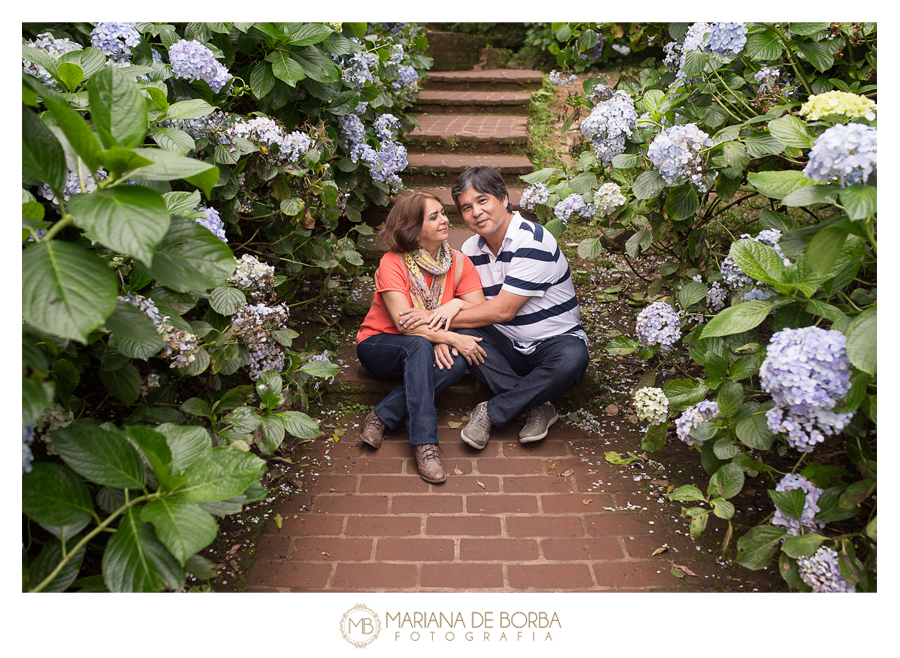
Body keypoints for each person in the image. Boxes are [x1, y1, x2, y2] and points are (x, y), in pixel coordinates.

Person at [399, 166, 589, 449]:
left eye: (482, 200)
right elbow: (461, 299)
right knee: (464, 332)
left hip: (554, 343)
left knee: (573, 358)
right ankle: (538, 407)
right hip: (505, 344)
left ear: (503, 198)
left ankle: (492, 410)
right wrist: (448, 317)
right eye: (466, 207)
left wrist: (432, 318)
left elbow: (503, 311)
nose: (475, 212)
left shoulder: (532, 241)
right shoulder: (471, 250)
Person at [355, 192, 487, 483]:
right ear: (413, 228)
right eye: (434, 217)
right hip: (379, 345)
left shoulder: (459, 263)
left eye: (443, 213)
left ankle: (383, 415)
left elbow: (480, 308)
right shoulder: (393, 263)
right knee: (418, 344)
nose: (444, 220)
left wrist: (455, 304)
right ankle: (425, 444)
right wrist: (449, 337)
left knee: (455, 364)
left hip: (422, 344)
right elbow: (406, 325)